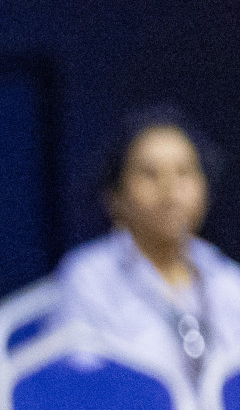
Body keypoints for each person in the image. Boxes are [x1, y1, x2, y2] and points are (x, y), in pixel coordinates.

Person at [55, 105, 240, 387]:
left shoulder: (226, 277)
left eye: (184, 173)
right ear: (114, 195)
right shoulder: (89, 277)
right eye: (150, 175)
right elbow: (82, 392)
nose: (170, 192)